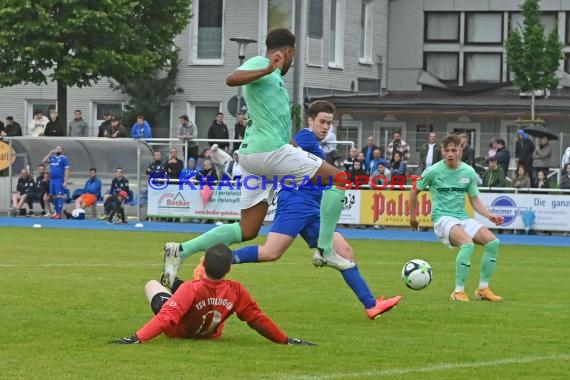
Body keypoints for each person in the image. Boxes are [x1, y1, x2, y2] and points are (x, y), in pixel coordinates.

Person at [160, 29, 349, 284]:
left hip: (256, 156)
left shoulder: (273, 78)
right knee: (340, 178)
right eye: (293, 56)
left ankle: (180, 250)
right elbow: (232, 78)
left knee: (247, 230)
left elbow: (268, 115)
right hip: (268, 153)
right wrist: (267, 68)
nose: (291, 63)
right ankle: (325, 250)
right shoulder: (263, 64)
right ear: (287, 53)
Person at [191, 104, 401, 319]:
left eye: (329, 123)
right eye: (322, 121)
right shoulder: (305, 137)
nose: (326, 127)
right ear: (310, 121)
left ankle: (371, 304)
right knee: (271, 252)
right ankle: (213, 264)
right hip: (296, 203)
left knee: (344, 251)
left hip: (313, 208)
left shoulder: (314, 143)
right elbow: (285, 148)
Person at [112, 244, 315, 346]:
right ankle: (173, 282)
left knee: (152, 284)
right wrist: (285, 339)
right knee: (186, 290)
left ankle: (169, 283)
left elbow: (165, 319)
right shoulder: (236, 289)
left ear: (203, 265)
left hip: (180, 329)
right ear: (228, 269)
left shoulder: (191, 289)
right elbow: (257, 319)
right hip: (210, 333)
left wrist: (136, 338)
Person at [409, 134, 505, 302]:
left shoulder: (468, 172)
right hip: (442, 219)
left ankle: (483, 289)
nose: (450, 154)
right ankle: (458, 292)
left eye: (454, 150)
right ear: (442, 151)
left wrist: (489, 216)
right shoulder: (433, 171)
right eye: (447, 150)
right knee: (467, 244)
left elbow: (474, 200)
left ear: (461, 150)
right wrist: (412, 216)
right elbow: (414, 190)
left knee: (493, 242)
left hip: (462, 218)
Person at [42, 145, 70, 219]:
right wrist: (50, 152)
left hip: (59, 179)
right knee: (54, 196)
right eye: (56, 148)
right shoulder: (52, 158)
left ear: (62, 150)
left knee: (59, 196)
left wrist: (66, 181)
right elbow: (44, 161)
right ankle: (56, 213)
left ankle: (59, 214)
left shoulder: (64, 159)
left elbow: (67, 171)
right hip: (52, 180)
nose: (57, 150)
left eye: (59, 148)